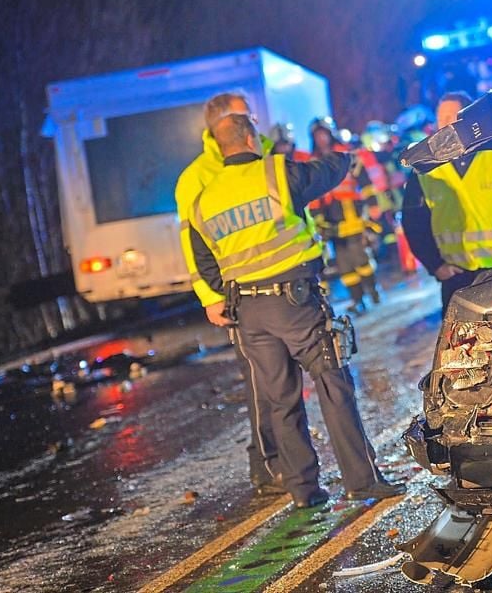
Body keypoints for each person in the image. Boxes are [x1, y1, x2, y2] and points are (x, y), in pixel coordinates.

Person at [186, 106, 404, 508]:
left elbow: (204, 264)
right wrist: (345, 153)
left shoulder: (203, 199)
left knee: (280, 401)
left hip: (248, 313)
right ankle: (361, 479)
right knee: (333, 384)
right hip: (296, 303)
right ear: (251, 139)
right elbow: (326, 172)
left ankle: (304, 491)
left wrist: (235, 288)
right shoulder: (274, 173)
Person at [173, 92, 283, 496]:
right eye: (244, 115)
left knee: (282, 383)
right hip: (237, 291)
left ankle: (289, 461)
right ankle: (266, 465)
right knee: (259, 383)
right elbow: (192, 243)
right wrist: (209, 295)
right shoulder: (198, 176)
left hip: (278, 286)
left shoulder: (267, 157)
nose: (252, 120)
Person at [401, 91, 492, 312]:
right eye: (441, 117)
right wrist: (435, 266)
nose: (444, 123)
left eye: (451, 116)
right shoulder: (424, 170)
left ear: (468, 118)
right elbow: (414, 222)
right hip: (457, 277)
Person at [308, 118, 381, 314]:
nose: (321, 139)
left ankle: (373, 290)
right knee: (344, 264)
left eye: (323, 134)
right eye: (317, 136)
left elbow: (364, 180)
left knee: (360, 257)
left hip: (351, 212)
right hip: (331, 218)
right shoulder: (314, 162)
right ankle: (357, 299)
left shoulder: (346, 155)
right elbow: (314, 195)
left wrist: (373, 204)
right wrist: (317, 220)